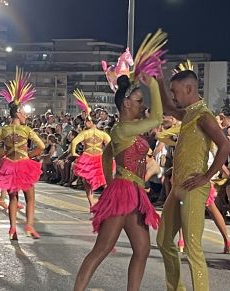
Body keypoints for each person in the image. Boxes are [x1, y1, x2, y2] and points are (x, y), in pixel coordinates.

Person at [74, 30, 166, 291]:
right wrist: (155, 85)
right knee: (102, 249)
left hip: (134, 192)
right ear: (126, 103)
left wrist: (108, 179)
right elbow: (158, 118)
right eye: (138, 101)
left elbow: (106, 155)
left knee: (143, 249)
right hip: (125, 190)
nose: (142, 105)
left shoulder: (127, 130)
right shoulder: (123, 130)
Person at [155, 66, 230, 291]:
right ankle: (176, 288)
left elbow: (225, 145)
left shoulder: (204, 116)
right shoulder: (188, 113)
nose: (173, 96)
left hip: (193, 188)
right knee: (163, 240)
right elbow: (167, 106)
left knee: (192, 247)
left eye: (175, 91)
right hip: (178, 186)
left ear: (189, 89)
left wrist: (207, 176)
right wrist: (158, 78)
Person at [0, 67, 45, 240]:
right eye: (23, 112)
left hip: (9, 163)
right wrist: (30, 155)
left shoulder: (4, 130)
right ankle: (28, 226)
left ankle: (12, 229)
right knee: (30, 197)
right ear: (18, 113)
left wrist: (5, 153)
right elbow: (42, 146)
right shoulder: (26, 129)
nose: (25, 115)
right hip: (24, 163)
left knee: (13, 198)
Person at [71, 89, 111, 208]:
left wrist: (74, 153)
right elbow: (110, 145)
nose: (84, 123)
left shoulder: (85, 133)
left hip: (87, 158)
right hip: (99, 157)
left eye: (85, 121)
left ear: (89, 121)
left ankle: (91, 203)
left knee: (87, 182)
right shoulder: (102, 134)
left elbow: (74, 142)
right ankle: (107, 202)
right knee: (104, 181)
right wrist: (108, 156)